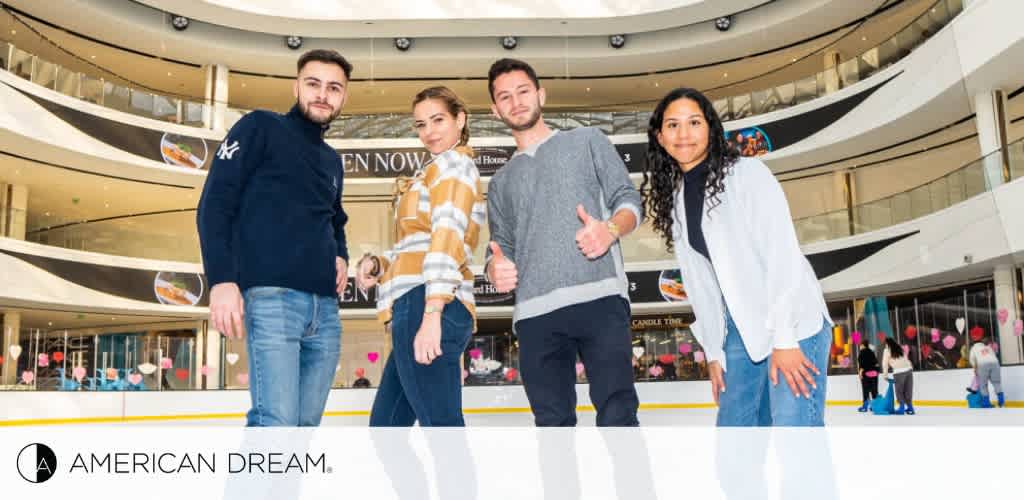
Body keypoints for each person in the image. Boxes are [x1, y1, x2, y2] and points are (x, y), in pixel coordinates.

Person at [640, 87, 833, 427]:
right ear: (660, 136)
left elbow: (781, 254)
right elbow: (702, 287)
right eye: (673, 125)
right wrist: (714, 352)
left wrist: (785, 338)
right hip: (741, 332)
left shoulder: (746, 174)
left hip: (792, 323)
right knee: (736, 451)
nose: (683, 134)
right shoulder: (679, 200)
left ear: (711, 129)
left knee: (797, 446)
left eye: (694, 122)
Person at [197, 49, 352, 427]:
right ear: (296, 85)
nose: (322, 94)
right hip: (273, 300)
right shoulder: (260, 128)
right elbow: (214, 205)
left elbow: (335, 220)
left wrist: (342, 255)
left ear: (343, 96)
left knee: (302, 430)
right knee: (275, 423)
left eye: (334, 88)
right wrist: (221, 280)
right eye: (313, 84)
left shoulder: (333, 161)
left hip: (326, 312)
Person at [484, 58, 642, 427]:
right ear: (495, 110)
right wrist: (495, 269)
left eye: (523, 91)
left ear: (540, 94)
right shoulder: (500, 182)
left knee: (618, 416)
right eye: (505, 97)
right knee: (552, 426)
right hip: (535, 315)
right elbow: (499, 245)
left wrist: (611, 230)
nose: (516, 102)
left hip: (599, 299)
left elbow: (628, 200)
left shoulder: (588, 140)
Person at [356, 86, 484, 427]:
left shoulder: (454, 165)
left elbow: (447, 235)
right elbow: (417, 243)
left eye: (438, 120)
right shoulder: (431, 171)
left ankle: (456, 484)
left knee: (440, 430)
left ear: (460, 120)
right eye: (421, 124)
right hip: (415, 302)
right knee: (386, 430)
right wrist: (378, 264)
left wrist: (432, 314)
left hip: (427, 303)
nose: (429, 132)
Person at [881, 337, 914, 415]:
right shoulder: (899, 348)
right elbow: (906, 358)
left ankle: (901, 408)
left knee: (899, 391)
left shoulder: (887, 350)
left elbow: (885, 363)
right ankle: (910, 408)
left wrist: (885, 375)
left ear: (887, 344)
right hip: (909, 370)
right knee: (908, 390)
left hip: (899, 372)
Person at [969, 338, 1004, 408]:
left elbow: (972, 360)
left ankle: (986, 404)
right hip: (995, 363)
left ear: (973, 344)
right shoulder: (988, 347)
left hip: (982, 365)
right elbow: (994, 355)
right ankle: (1001, 402)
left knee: (983, 385)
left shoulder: (973, 348)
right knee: (996, 382)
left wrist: (975, 368)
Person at [856, 339, 880, 412]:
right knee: (874, 391)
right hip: (874, 374)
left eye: (860, 345)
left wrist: (860, 373)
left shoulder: (861, 353)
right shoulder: (872, 352)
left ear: (863, 345)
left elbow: (862, 364)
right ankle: (875, 406)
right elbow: (876, 363)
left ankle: (865, 406)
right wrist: (877, 371)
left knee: (865, 391)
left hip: (866, 374)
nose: (860, 347)